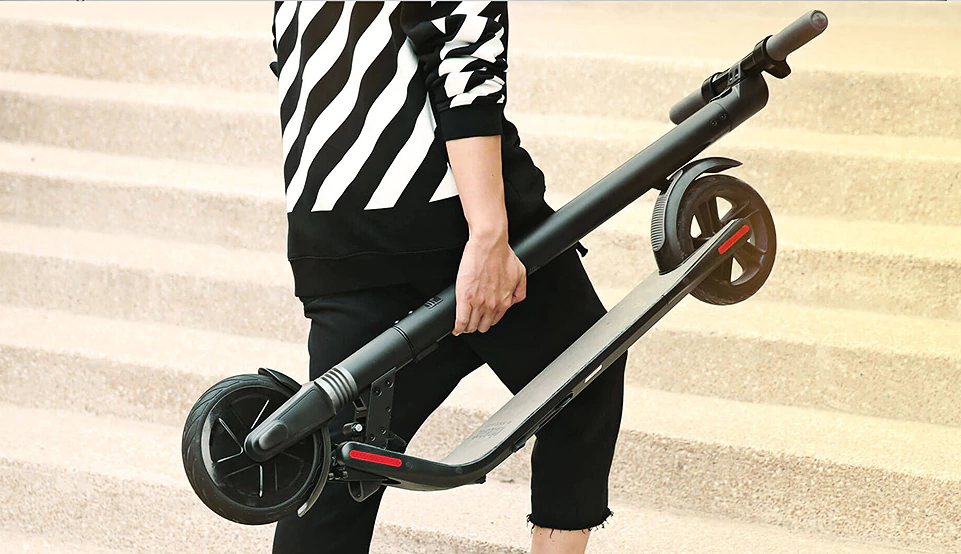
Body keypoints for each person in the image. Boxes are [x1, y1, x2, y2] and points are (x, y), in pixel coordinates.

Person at [268, 2, 626, 553]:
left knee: (335, 472)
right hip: (438, 208)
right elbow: (463, 56)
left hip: (331, 223)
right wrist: (487, 233)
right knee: (583, 373)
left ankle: (452, 346)